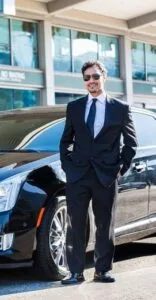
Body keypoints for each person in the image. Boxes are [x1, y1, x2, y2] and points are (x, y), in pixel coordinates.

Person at [60, 60, 138, 284]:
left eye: (95, 76)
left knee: (105, 224)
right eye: (86, 78)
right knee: (75, 224)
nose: (91, 81)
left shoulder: (120, 108)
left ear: (104, 77)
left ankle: (102, 270)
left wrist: (120, 169)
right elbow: (65, 141)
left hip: (106, 175)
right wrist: (68, 166)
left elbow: (131, 143)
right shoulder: (74, 107)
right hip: (78, 175)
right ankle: (75, 272)